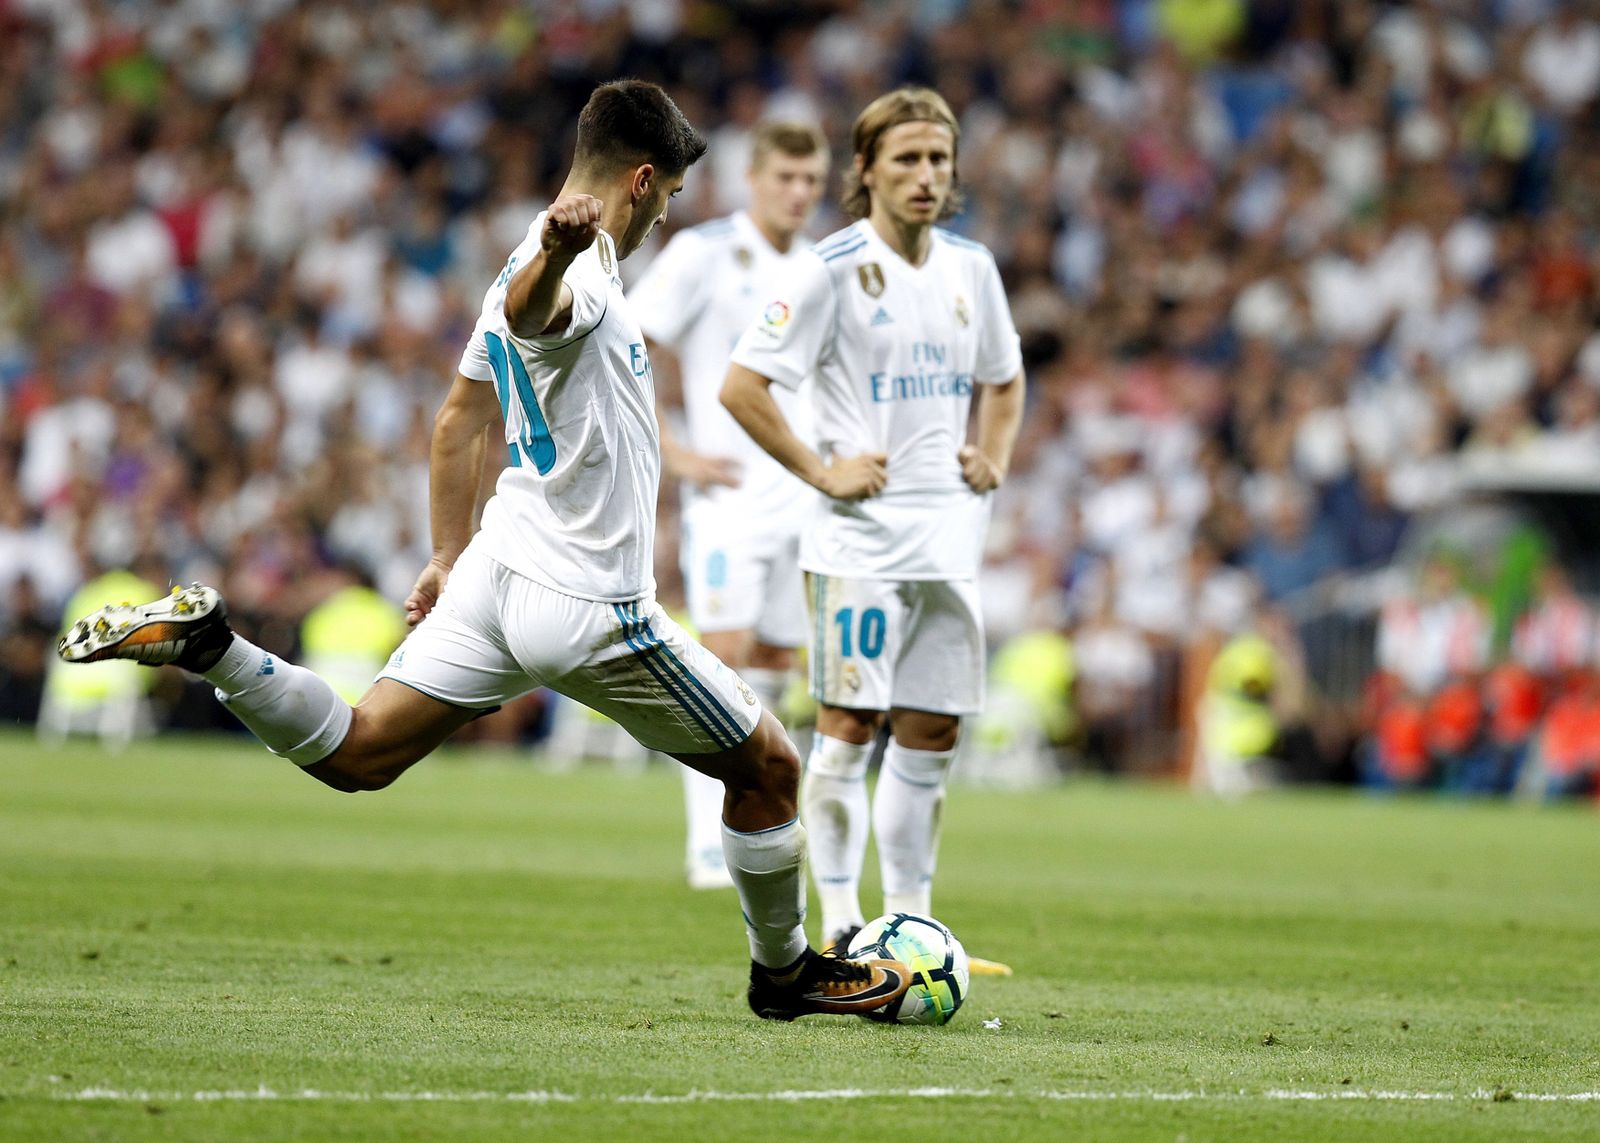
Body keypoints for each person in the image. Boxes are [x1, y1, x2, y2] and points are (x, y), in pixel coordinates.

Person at [57, 79, 909, 1023]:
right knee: (772, 769)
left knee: (359, 751)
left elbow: (459, 418)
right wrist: (558, 255)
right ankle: (785, 973)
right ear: (639, 181)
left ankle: (216, 648)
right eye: (666, 195)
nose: (666, 214)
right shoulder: (570, 275)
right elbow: (542, 311)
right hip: (588, 603)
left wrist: (444, 554)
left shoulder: (528, 262)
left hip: (498, 572)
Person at [721, 87, 1026, 974]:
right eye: (907, 159)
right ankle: (843, 924)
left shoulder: (973, 269)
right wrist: (822, 472)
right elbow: (742, 385)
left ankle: (913, 928)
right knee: (849, 725)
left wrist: (993, 453)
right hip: (858, 543)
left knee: (931, 734)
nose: (926, 175)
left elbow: (1005, 378)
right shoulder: (830, 268)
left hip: (949, 540)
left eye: (938, 159)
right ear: (866, 169)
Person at [628, 121, 830, 890]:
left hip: (803, 498)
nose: (799, 193)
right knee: (720, 659)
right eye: (786, 177)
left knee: (775, 662)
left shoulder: (822, 265)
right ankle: (706, 843)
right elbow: (630, 343)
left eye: (811, 181)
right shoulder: (705, 253)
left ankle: (759, 824)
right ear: (754, 178)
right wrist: (671, 450)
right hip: (731, 495)